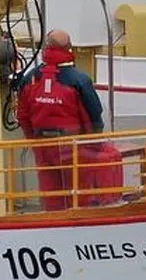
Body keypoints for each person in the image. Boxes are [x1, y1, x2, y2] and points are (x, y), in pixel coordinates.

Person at [17, 31, 106, 209]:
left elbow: (23, 116)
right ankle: (79, 227)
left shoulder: (30, 80)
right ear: (68, 48)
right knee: (78, 195)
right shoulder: (79, 80)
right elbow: (94, 117)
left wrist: (33, 140)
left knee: (51, 195)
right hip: (73, 147)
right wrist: (94, 146)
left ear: (46, 48)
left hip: (43, 146)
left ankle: (52, 226)